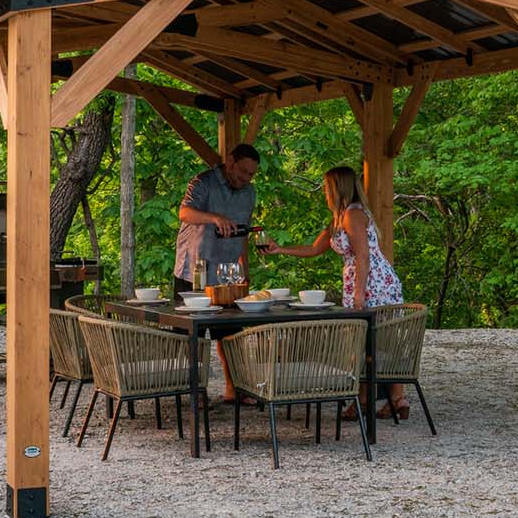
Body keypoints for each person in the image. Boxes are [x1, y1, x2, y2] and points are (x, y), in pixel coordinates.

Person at [261, 165, 409, 419]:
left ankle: (372, 400)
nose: (324, 193)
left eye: (327, 188)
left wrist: (359, 293)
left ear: (337, 188)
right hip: (364, 281)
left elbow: (363, 255)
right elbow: (314, 249)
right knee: (370, 341)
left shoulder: (353, 215)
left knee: (368, 341)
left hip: (374, 284)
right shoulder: (339, 218)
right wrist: (279, 249)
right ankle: (394, 399)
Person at [173, 143, 260, 404]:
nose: (246, 179)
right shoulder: (203, 182)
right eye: (243, 171)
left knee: (230, 334)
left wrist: (245, 267)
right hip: (195, 269)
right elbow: (184, 212)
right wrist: (214, 218)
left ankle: (235, 389)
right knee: (193, 336)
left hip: (228, 273)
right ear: (230, 161)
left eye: (251, 175)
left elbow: (244, 233)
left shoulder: (249, 193)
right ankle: (195, 392)